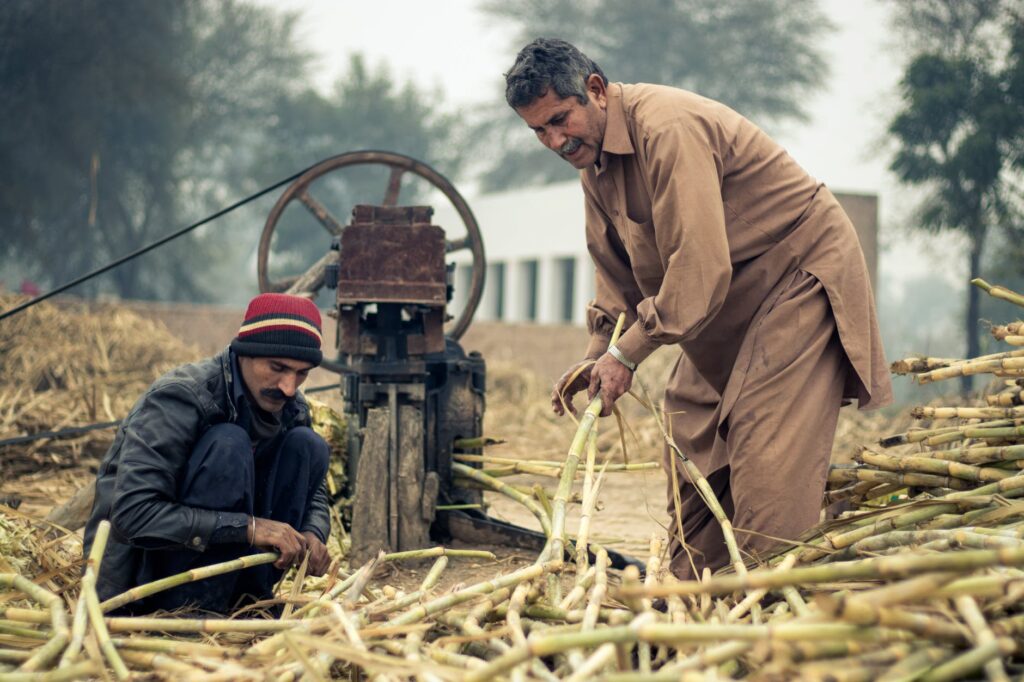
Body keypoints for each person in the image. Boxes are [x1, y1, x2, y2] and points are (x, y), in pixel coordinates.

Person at [505, 38, 893, 578]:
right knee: (688, 425)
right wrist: (599, 351)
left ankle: (768, 604)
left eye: (559, 119)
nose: (554, 140)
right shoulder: (592, 164)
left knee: (765, 451)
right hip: (726, 306)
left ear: (595, 90)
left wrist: (628, 354)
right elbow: (614, 272)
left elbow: (701, 270)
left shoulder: (667, 128)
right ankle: (695, 600)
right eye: (539, 131)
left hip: (794, 278)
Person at [83, 293, 333, 613]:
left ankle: (248, 601)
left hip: (231, 580)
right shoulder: (182, 396)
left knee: (308, 446)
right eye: (278, 368)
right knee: (229, 444)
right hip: (144, 585)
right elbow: (134, 514)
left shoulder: (291, 406)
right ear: (245, 354)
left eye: (301, 374)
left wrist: (313, 532)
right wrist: (250, 528)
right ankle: (192, 609)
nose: (288, 386)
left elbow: (316, 491)